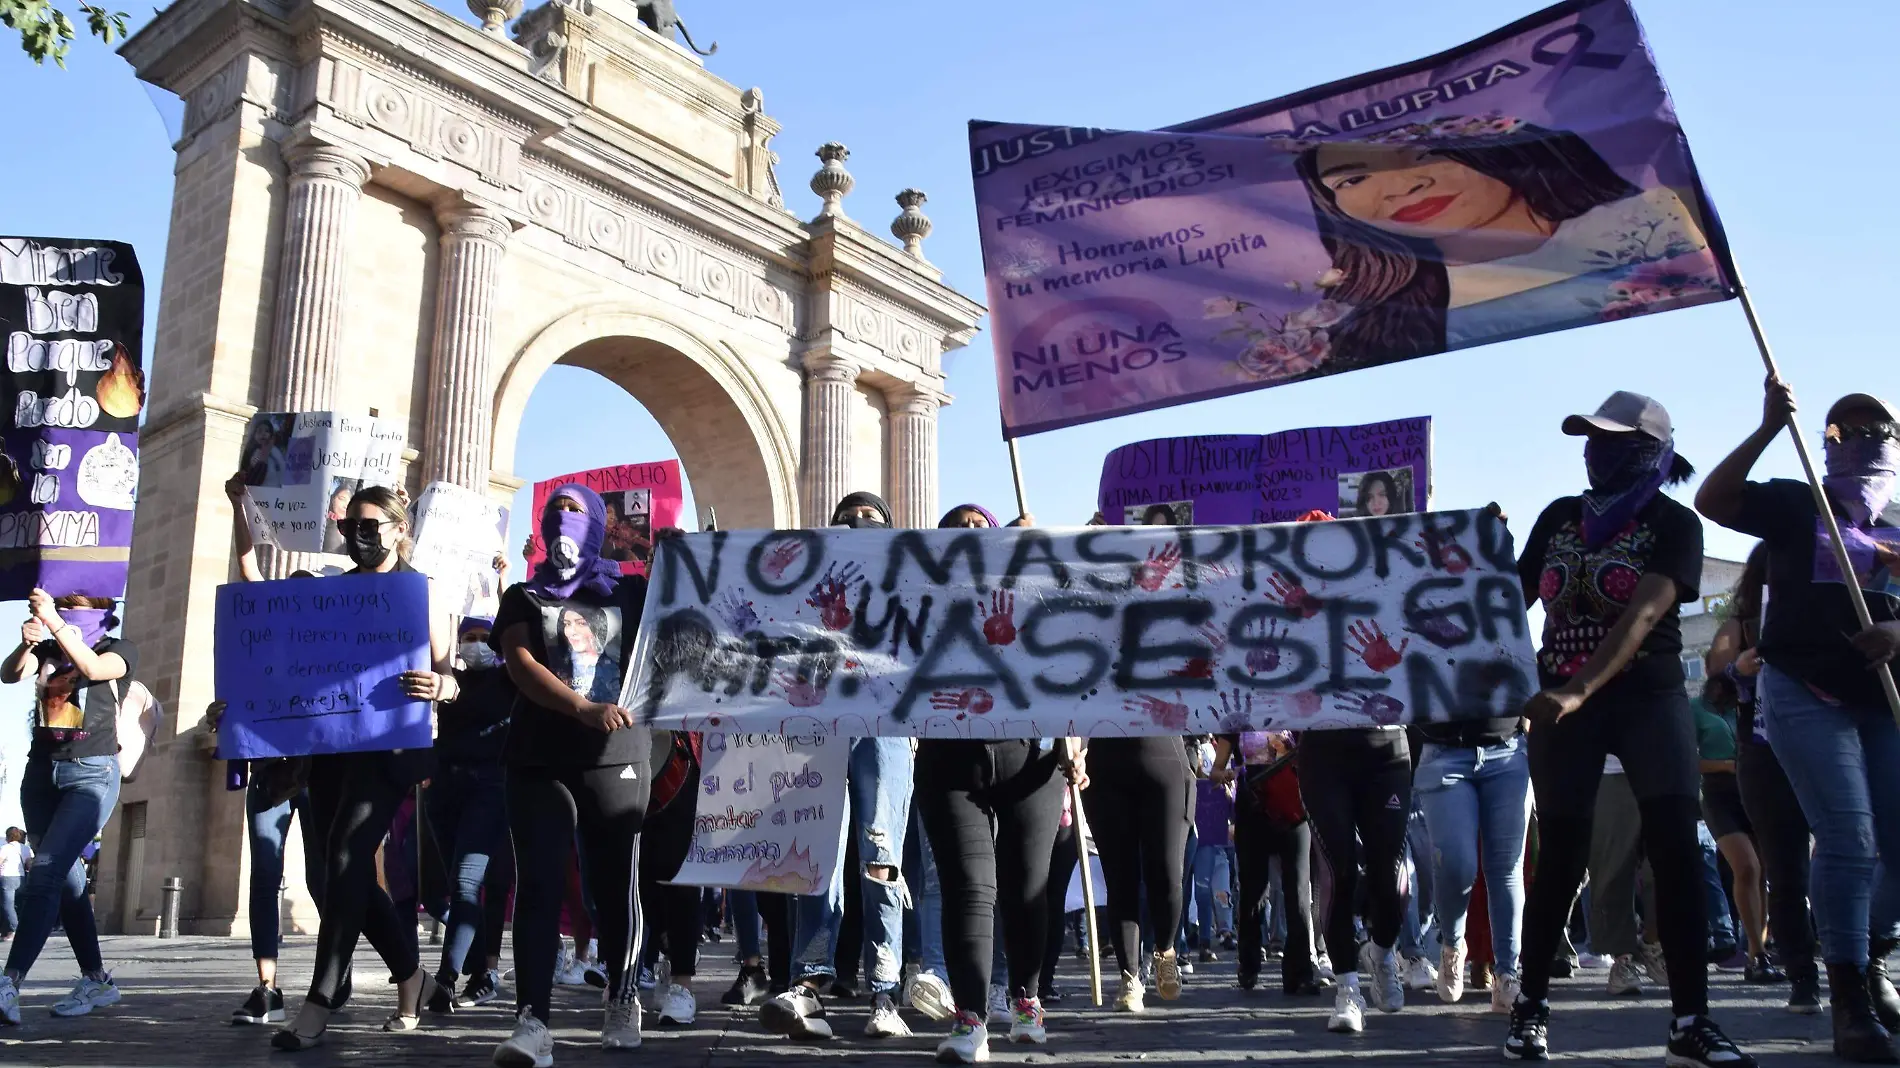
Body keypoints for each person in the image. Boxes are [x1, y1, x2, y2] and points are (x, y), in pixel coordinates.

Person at [1506, 390, 1753, 1067]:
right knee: (1558, 854)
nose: (1594, 453)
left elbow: (1642, 616)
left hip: (1647, 698)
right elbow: (1506, 601)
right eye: (1589, 440)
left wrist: (1581, 688)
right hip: (1561, 705)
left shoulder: (1675, 525)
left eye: (1611, 442)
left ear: (1650, 451)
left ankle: (1690, 1020)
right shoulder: (1559, 518)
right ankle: (1529, 1008)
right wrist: (1481, 561)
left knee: (1674, 850)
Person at [1696, 380, 1900, 1062]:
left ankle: (1865, 954)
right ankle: (1847, 997)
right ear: (1822, 442)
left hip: (1884, 699)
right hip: (1802, 689)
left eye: (1876, 430)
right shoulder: (1795, 502)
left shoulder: (1899, 523)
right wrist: (1763, 430)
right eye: (1841, 431)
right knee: (1847, 835)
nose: (1859, 440)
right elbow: (1713, 500)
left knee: (1896, 847)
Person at [1285, 120, 1723, 375]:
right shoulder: (1376, 319)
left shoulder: (1652, 219)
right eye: (1353, 180)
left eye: (1425, 154)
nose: (1404, 186)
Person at [266, 484, 457, 1050]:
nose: (360, 534)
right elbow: (292, 667)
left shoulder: (421, 592)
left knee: (349, 854)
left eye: (372, 524)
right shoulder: (330, 592)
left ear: (401, 530)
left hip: (391, 745)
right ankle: (411, 977)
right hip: (329, 745)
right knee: (335, 869)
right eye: (352, 525)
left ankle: (319, 1000)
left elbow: (449, 674)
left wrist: (442, 686)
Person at [911, 503, 1084, 1062]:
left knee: (1027, 890)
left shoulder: (1034, 589)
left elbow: (1080, 656)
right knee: (969, 890)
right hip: (949, 761)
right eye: (955, 529)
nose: (969, 534)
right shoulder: (921, 594)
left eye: (980, 526)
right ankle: (971, 1018)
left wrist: (1044, 554)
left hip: (1030, 757)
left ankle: (1027, 999)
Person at [490, 484, 652, 1067]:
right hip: (539, 755)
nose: (564, 515)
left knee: (614, 885)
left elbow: (689, 621)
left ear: (599, 523)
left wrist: (683, 561)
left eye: (576, 508)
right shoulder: (523, 596)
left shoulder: (632, 591)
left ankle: (622, 993)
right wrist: (580, 708)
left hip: (618, 755)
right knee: (536, 884)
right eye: (554, 507)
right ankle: (532, 1019)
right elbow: (519, 661)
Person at [759, 492, 915, 1043]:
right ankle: (810, 982)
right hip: (820, 730)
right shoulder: (808, 589)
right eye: (848, 518)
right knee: (815, 855)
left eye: (873, 518)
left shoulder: (909, 583)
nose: (859, 522)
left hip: (886, 732)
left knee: (880, 858)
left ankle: (884, 990)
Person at [213, 476, 329, 1026]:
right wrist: (240, 505)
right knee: (265, 873)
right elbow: (249, 569)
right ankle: (268, 985)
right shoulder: (268, 638)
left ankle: (334, 974)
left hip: (324, 770)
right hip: (272, 770)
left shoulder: (334, 647)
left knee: (322, 878)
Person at [0, 589, 136, 1026]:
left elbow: (94, 669)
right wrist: (26, 642)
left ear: (102, 614)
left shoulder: (116, 650)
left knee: (44, 875)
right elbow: (9, 675)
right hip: (40, 776)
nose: (68, 619)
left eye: (78, 612)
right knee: (69, 884)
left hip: (90, 774)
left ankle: (8, 984)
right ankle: (96, 979)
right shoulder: (47, 650)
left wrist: (56, 624)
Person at [1079, 507, 1195, 1014]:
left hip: (1164, 756)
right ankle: (1130, 975)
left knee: (1166, 872)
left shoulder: (1163, 607)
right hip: (1108, 759)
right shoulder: (1080, 615)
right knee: (1121, 874)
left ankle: (1165, 948)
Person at [1706, 545, 1821, 1012]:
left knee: (1836, 857)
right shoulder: (1741, 626)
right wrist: (1738, 670)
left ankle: (1855, 964)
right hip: (1761, 759)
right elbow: (1714, 682)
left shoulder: (1821, 611)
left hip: (1821, 747)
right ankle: (1799, 971)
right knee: (1779, 868)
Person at [1412, 699, 1531, 1013]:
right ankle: (1452, 944)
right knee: (1456, 863)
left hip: (1507, 747)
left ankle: (1507, 973)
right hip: (1443, 750)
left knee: (1507, 867)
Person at [423, 614, 516, 1013]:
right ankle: (479, 972)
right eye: (469, 637)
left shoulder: (509, 679)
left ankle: (445, 978)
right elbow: (435, 653)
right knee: (439, 891)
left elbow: (517, 638)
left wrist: (501, 584)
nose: (477, 643)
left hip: (489, 789)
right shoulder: (449, 681)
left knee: (465, 883)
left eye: (484, 637)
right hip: (445, 790)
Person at [1210, 731, 1319, 996]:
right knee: (1252, 890)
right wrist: (1227, 775)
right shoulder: (1237, 719)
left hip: (1293, 805)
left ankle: (1300, 970)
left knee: (1298, 891)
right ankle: (1249, 964)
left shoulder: (1296, 711)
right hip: (1253, 804)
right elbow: (1215, 770)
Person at [0, 828, 29, 941]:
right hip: (21, 878)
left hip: (7, 877)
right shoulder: (25, 848)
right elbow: (29, 865)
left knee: (7, 905)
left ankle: (14, 929)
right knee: (18, 905)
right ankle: (10, 930)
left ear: (8, 836)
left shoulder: (5, 848)